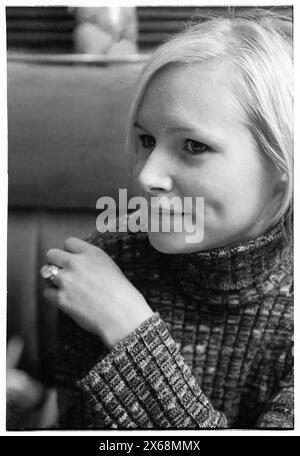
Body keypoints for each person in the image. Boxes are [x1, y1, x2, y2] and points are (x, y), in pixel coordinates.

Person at [41, 10, 293, 429]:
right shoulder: (110, 265)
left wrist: (128, 330)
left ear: (282, 160)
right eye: (146, 140)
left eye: (193, 145)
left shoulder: (110, 297)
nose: (146, 176)